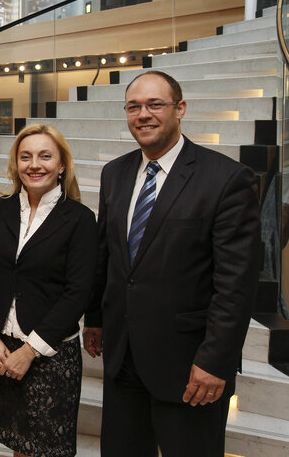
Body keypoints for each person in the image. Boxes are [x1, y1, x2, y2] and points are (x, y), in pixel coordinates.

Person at [83, 70, 261, 456]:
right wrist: (94, 317)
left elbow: (236, 285)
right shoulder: (115, 173)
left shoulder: (227, 179)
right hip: (123, 358)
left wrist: (215, 361)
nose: (143, 114)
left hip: (190, 366)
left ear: (180, 109)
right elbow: (107, 256)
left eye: (155, 104)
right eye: (134, 106)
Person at [0, 124, 97, 457]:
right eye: (25, 156)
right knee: (19, 445)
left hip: (50, 353)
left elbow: (78, 294)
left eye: (45, 156)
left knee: (47, 449)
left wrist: (29, 351)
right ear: (16, 164)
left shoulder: (80, 219)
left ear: (61, 165)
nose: (34, 164)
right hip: (4, 348)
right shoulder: (2, 209)